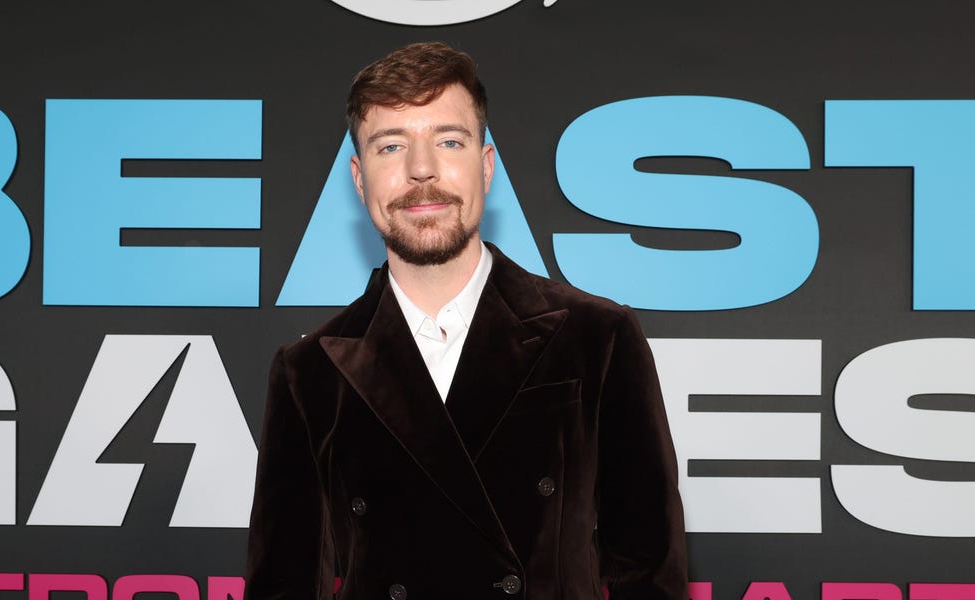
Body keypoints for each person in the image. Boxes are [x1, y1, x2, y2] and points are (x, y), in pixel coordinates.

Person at [244, 41, 687, 600]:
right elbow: (282, 586)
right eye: (391, 147)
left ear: (486, 165)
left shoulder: (598, 338)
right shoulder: (308, 372)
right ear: (359, 179)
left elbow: (650, 572)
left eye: (448, 141)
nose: (421, 170)